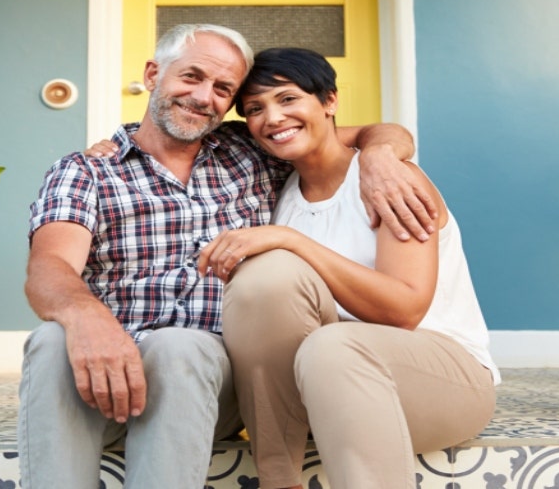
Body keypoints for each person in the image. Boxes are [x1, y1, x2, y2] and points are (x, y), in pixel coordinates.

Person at [19, 24, 439, 489]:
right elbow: (49, 268)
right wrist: (87, 320)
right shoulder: (85, 170)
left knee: (177, 347)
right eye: (191, 77)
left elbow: (350, 133)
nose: (204, 97)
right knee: (51, 340)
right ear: (153, 73)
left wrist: (381, 155)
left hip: (209, 380)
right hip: (103, 372)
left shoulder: (252, 150)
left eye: (223, 89)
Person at [197, 47, 499, 489]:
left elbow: (404, 309)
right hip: (327, 388)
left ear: (330, 101)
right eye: (255, 109)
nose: (273, 118)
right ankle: (281, 480)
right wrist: (109, 147)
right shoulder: (278, 186)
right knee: (266, 279)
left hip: (442, 378)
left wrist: (296, 238)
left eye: (287, 99)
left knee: (331, 345)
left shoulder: (391, 180)